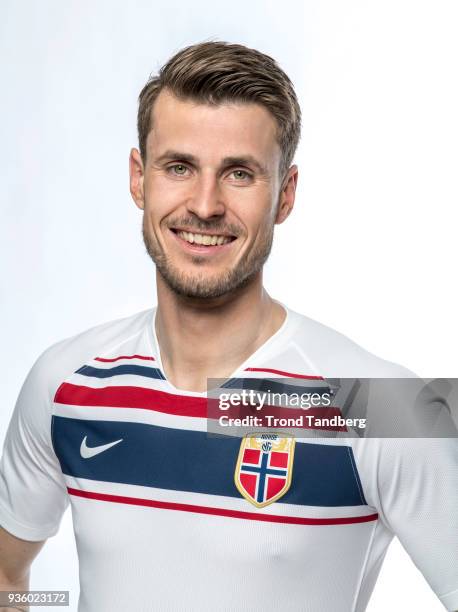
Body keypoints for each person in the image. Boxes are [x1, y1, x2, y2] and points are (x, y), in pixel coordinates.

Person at [0, 40, 457, 612]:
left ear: (285, 195)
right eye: (179, 167)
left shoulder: (380, 406)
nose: (206, 205)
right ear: (139, 178)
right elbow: (7, 578)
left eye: (239, 173)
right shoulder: (66, 386)